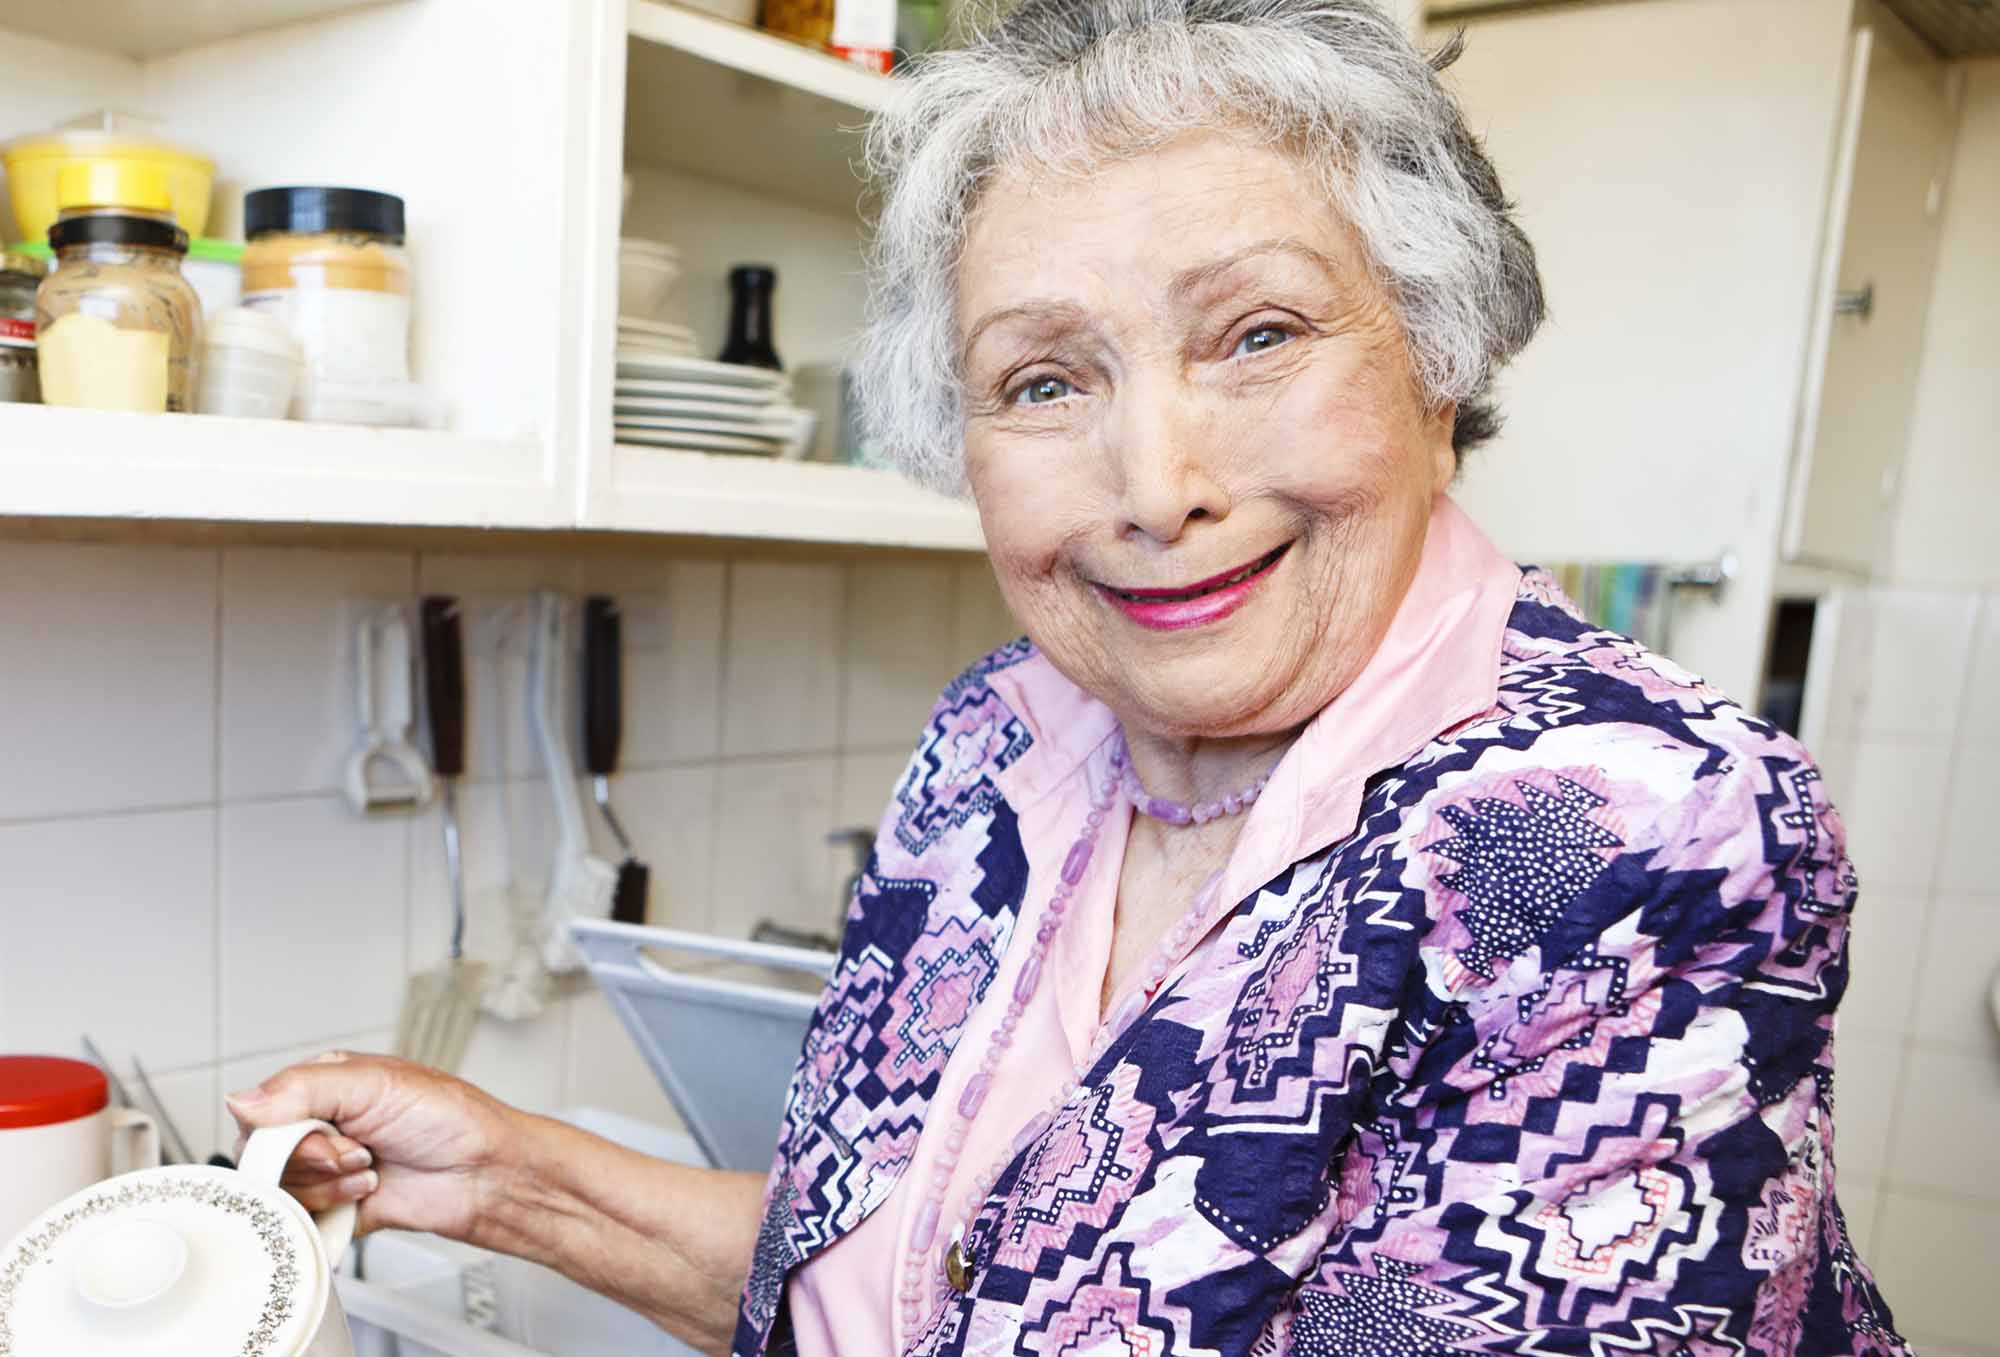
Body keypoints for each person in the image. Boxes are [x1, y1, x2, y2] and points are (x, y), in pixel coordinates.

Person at [229, 1, 1908, 1353]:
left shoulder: (1649, 831)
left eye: (1256, 335)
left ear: (1439, 356)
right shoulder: (997, 749)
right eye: (1043, 378)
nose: (1153, 481)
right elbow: (909, 1297)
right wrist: (510, 1180)